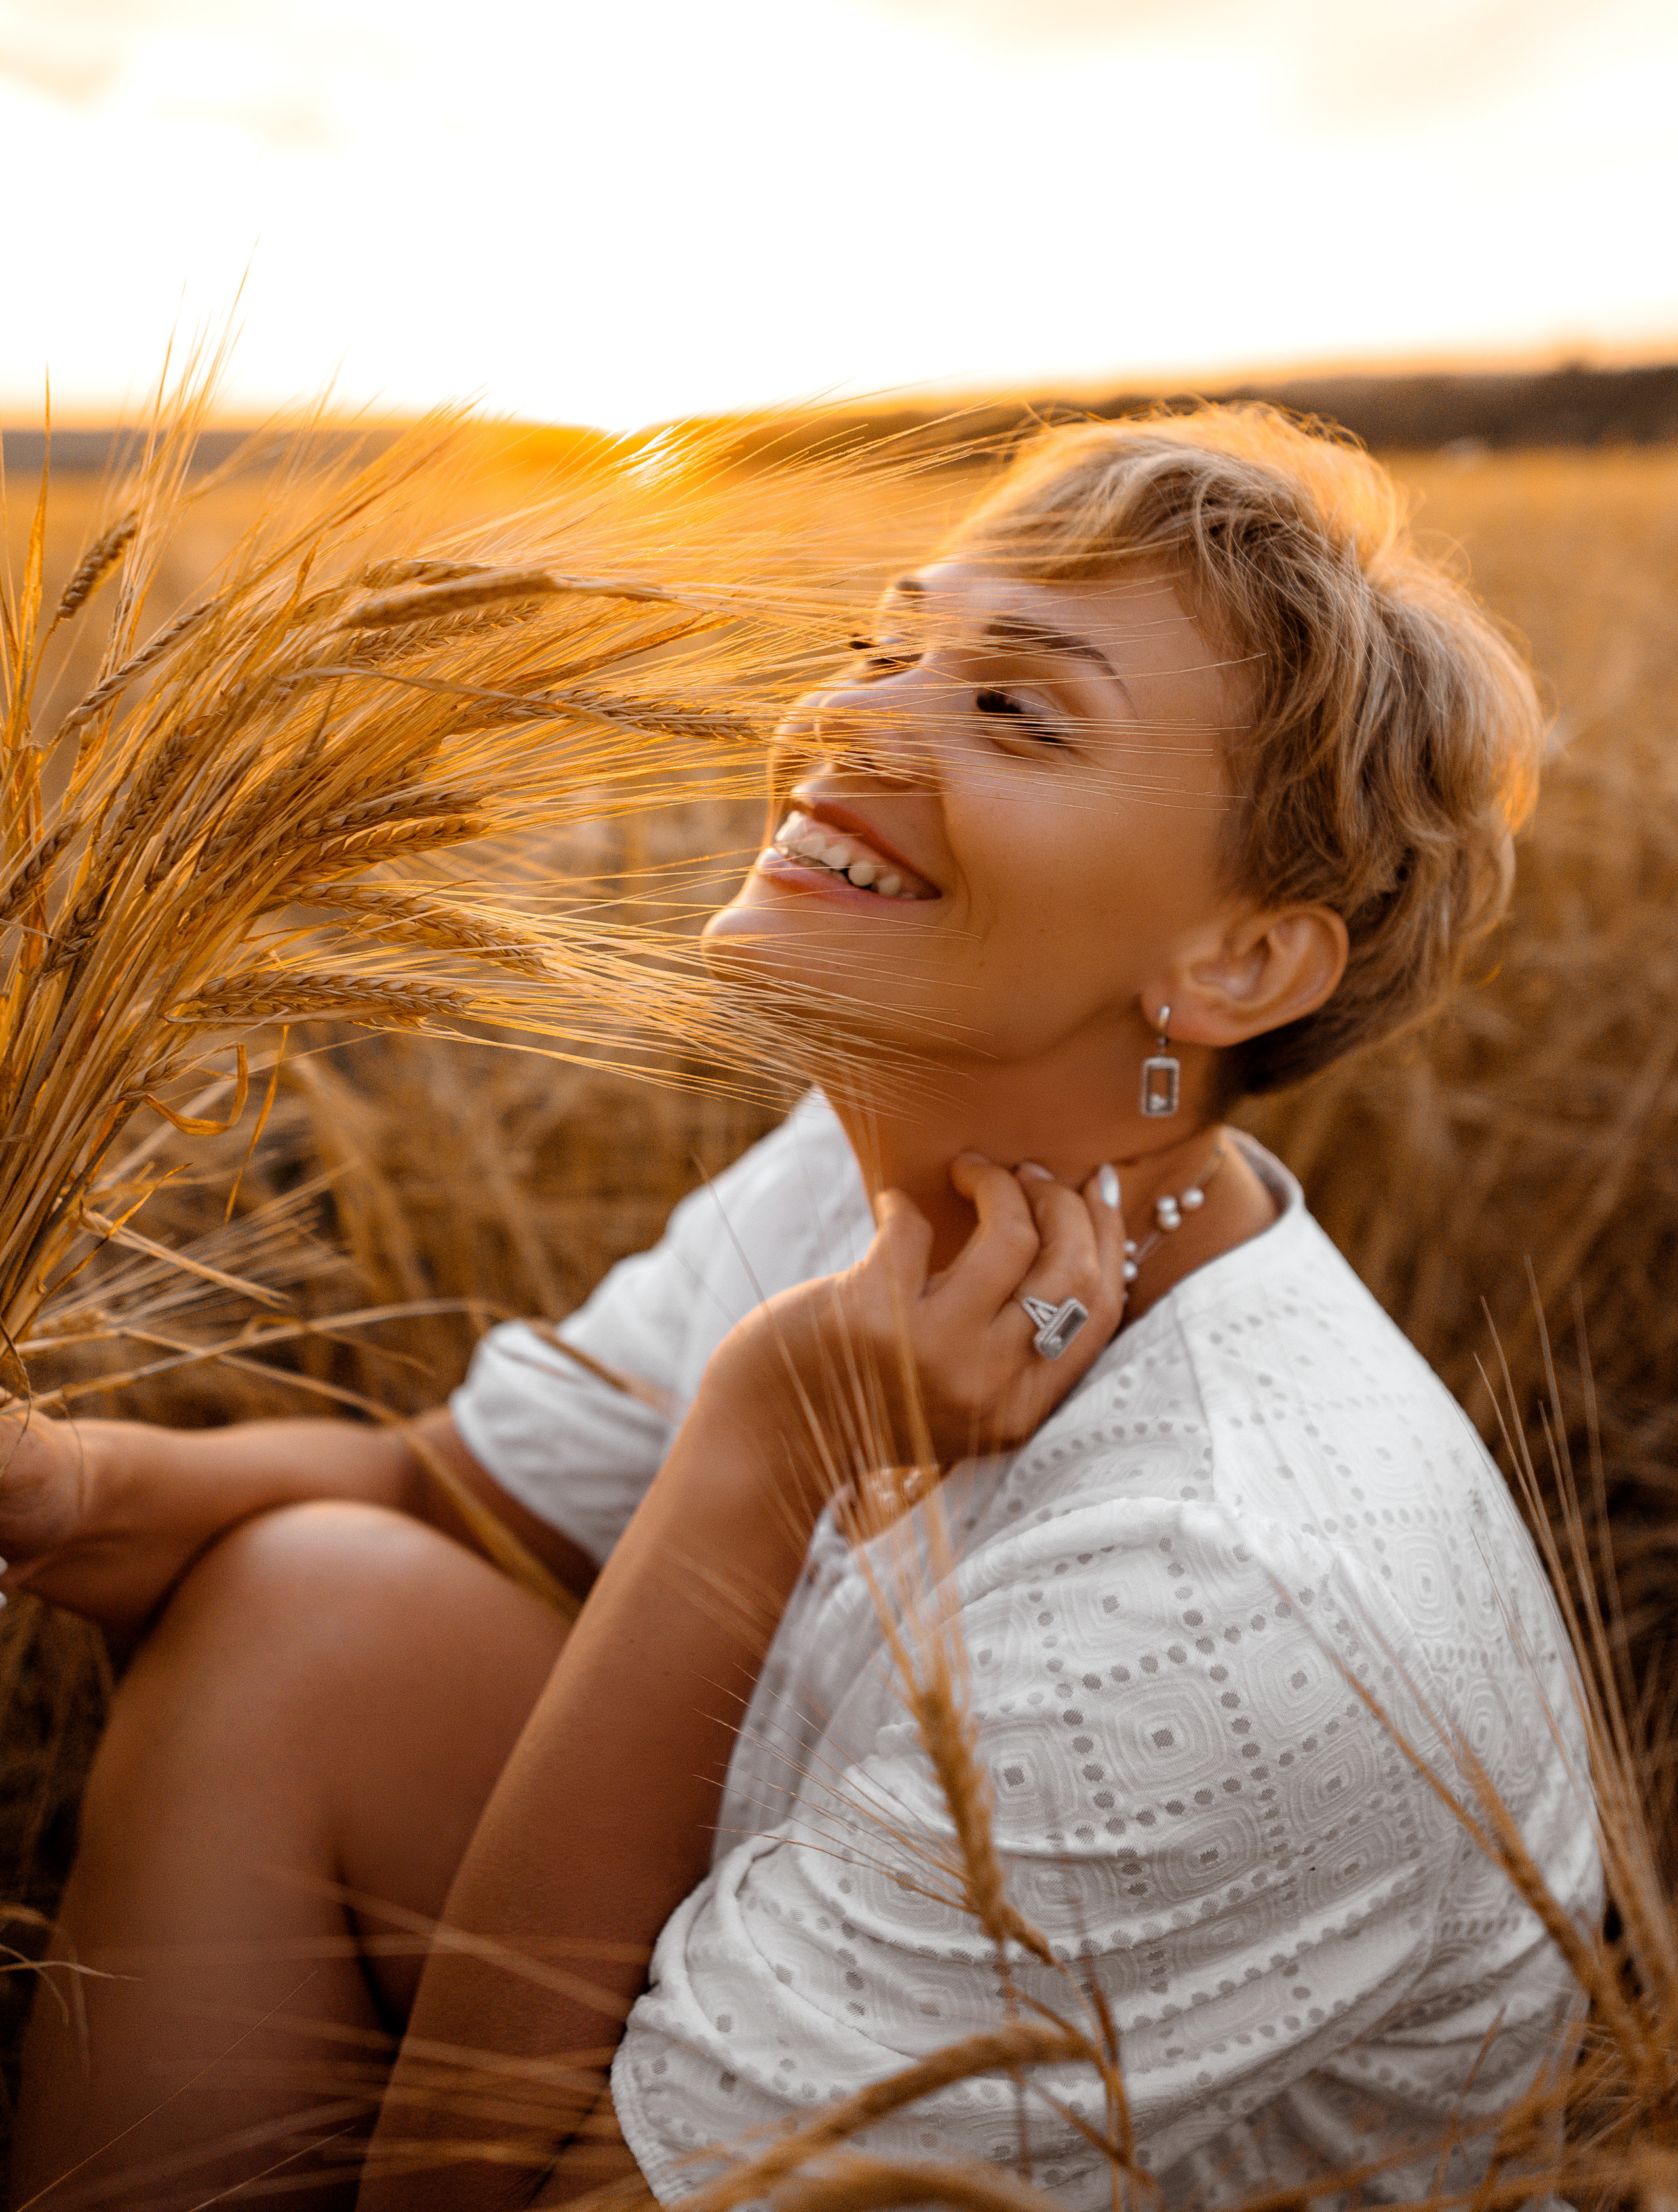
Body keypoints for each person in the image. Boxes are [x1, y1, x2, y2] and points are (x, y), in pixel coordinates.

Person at [7, 407, 1599, 2212]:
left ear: (1236, 959)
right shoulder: (856, 1174)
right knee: (313, 1601)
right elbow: (452, 1497)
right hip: (808, 1971)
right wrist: (59, 1487)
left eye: (1012, 707)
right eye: (882, 645)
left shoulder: (1228, 1594)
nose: (851, 715)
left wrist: (766, 1443)